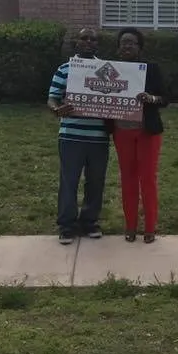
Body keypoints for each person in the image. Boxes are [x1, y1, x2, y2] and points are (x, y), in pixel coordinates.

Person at [47, 28, 109, 245]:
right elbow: (52, 98)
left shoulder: (107, 69)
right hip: (71, 135)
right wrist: (56, 109)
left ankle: (89, 222)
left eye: (93, 39)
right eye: (84, 38)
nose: (89, 42)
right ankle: (67, 225)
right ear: (77, 42)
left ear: (97, 44)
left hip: (99, 136)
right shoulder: (64, 69)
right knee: (69, 181)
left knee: (96, 181)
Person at [110, 27, 167, 244]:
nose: (127, 46)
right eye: (123, 42)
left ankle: (150, 226)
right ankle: (130, 226)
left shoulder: (151, 69)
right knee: (128, 179)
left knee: (148, 179)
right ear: (118, 48)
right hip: (121, 131)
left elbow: (165, 98)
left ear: (139, 47)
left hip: (146, 131)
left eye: (131, 42)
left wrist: (150, 98)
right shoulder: (111, 70)